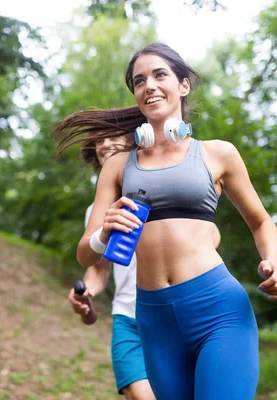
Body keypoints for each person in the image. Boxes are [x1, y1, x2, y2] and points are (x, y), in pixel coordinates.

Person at [54, 43, 277, 400]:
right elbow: (85, 256)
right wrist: (104, 232)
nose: (148, 85)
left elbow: (260, 222)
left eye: (159, 74)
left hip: (217, 310)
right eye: (139, 80)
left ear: (183, 85)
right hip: (153, 320)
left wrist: (273, 263)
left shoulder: (217, 153)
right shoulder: (117, 166)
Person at [68, 135, 221, 399]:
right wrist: (86, 296)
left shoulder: (165, 187)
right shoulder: (96, 209)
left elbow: (213, 236)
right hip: (128, 319)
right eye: (99, 140)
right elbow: (98, 270)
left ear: (136, 139)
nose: (104, 144)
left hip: (177, 313)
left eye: (113, 136)